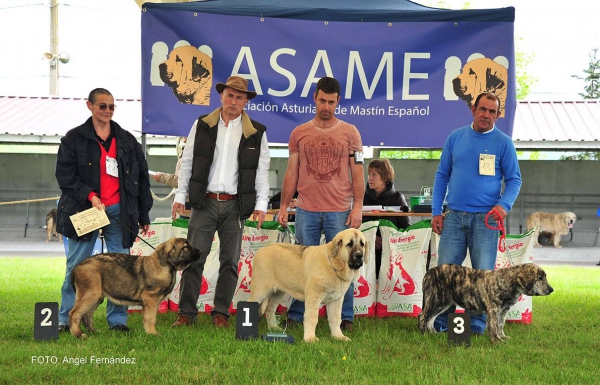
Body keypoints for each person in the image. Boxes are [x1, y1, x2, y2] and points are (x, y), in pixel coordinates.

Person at [171, 76, 270, 328]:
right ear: (221, 96)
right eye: (229, 95)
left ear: (246, 101)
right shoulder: (202, 124)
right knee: (193, 258)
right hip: (203, 203)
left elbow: (261, 171)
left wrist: (261, 205)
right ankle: (186, 313)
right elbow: (187, 164)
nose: (233, 101)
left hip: (235, 206)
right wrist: (180, 197)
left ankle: (221, 314)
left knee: (230, 262)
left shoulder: (256, 132)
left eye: (239, 97)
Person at [55, 88, 153, 333]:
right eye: (102, 106)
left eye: (111, 107)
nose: (107, 111)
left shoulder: (127, 140)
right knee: (77, 266)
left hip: (120, 210)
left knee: (123, 270)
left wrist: (143, 214)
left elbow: (141, 178)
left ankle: (117, 321)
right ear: (89, 105)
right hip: (85, 210)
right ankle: (66, 319)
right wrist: (90, 195)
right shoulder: (73, 138)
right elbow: (65, 176)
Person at [277, 76, 365, 332]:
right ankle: (297, 314)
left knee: (346, 264)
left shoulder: (351, 133)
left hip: (340, 210)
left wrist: (357, 205)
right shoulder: (298, 133)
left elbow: (358, 170)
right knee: (302, 266)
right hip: (305, 209)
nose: (326, 106)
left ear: (338, 102)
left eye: (331, 102)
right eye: (322, 101)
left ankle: (344, 317)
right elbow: (291, 172)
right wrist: (284, 206)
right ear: (314, 98)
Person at [430, 92, 522, 335]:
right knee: (447, 275)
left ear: (498, 115)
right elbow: (441, 176)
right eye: (483, 109)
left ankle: (477, 326)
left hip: (486, 220)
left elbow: (514, 180)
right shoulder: (455, 138)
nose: (487, 115)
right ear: (473, 109)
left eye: (492, 112)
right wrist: (436, 211)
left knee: (484, 277)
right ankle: (442, 324)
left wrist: (503, 206)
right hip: (453, 217)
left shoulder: (504, 143)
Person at [363, 159, 411, 278]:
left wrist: (386, 240)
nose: (370, 178)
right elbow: (356, 225)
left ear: (385, 178)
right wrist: (370, 239)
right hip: (366, 250)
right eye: (369, 174)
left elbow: (406, 229)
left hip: (392, 252)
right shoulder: (362, 197)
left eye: (374, 174)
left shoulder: (398, 198)